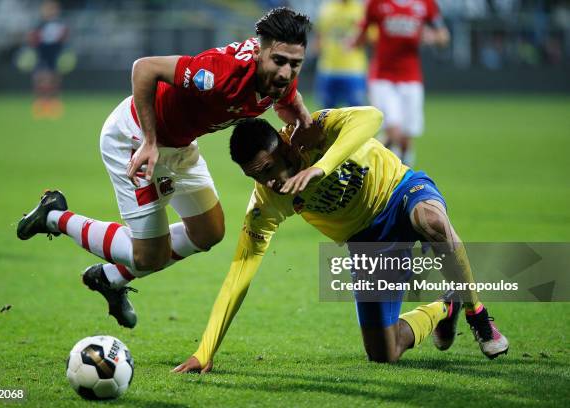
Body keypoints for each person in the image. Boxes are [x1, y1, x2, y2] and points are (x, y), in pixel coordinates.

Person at [16, 7, 313, 329]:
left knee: (208, 232)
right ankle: (54, 216)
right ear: (259, 51)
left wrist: (304, 123)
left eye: (295, 64)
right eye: (279, 61)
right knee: (149, 257)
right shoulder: (219, 73)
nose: (285, 72)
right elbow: (144, 68)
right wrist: (148, 140)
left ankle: (109, 279)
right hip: (134, 141)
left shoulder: (279, 81)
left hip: (180, 146)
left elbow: (290, 103)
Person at [173, 107, 509, 373]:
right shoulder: (266, 203)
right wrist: (204, 352)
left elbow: (372, 117)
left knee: (432, 221)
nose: (268, 182)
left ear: (282, 142)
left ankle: (477, 315)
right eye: (256, 175)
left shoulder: (312, 130)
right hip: (368, 241)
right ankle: (445, 306)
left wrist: (320, 168)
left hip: (400, 190)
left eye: (268, 168)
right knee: (385, 353)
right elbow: (238, 277)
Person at [351, 0, 449, 166]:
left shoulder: (426, 4)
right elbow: (362, 31)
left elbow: (443, 37)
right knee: (393, 129)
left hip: (411, 78)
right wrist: (351, 43)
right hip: (383, 77)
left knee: (405, 139)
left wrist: (432, 37)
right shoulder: (376, 3)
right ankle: (363, 164)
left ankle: (386, 168)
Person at [314, 0, 368, 108]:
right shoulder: (325, 8)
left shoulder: (361, 9)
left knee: (356, 113)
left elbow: (369, 37)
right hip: (328, 69)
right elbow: (319, 36)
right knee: (325, 115)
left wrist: (354, 42)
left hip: (354, 70)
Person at [28, 0, 69, 119]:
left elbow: (64, 38)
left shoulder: (60, 24)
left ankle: (53, 103)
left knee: (54, 78)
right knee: (41, 78)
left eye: (53, 9)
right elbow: (33, 39)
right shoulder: (40, 24)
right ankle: (40, 103)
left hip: (54, 55)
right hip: (42, 54)